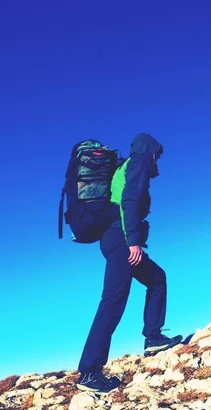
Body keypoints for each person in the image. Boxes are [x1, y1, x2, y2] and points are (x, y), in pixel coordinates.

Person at [76, 133, 183, 393]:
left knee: (157, 278)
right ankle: (89, 372)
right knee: (113, 301)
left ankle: (153, 337)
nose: (158, 159)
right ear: (150, 151)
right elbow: (129, 200)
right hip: (121, 239)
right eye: (157, 153)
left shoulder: (125, 167)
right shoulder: (138, 163)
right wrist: (133, 241)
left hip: (116, 237)